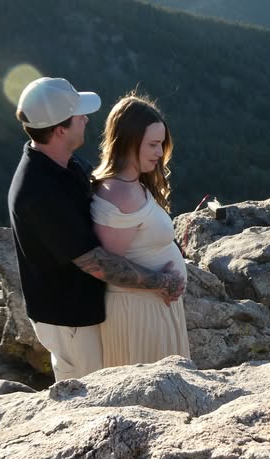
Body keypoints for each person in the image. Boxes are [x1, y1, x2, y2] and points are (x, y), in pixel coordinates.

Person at [8, 77, 185, 381]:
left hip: (81, 311)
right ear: (60, 129)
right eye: (79, 115)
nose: (86, 119)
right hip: (69, 317)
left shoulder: (63, 164)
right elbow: (95, 263)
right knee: (86, 395)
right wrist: (162, 282)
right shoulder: (38, 192)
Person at [91, 94, 190, 367]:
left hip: (153, 308)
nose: (160, 154)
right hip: (137, 315)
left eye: (161, 144)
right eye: (153, 145)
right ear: (128, 142)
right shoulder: (118, 193)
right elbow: (109, 268)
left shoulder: (134, 184)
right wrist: (163, 281)